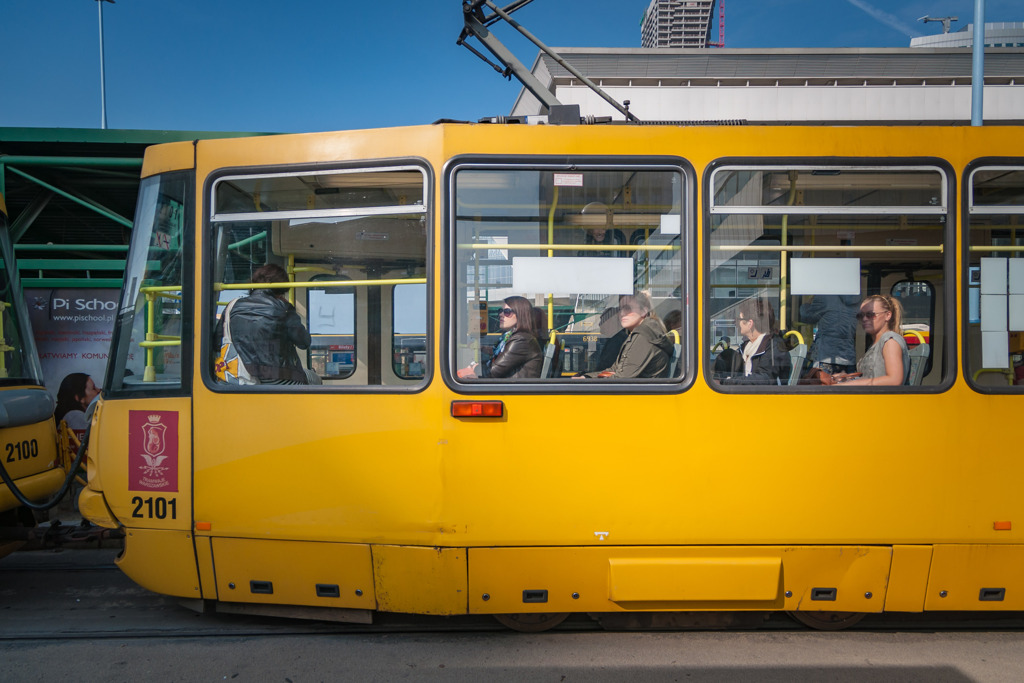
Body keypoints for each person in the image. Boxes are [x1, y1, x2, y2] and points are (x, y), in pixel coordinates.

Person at [214, 263, 312, 384]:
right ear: (281, 289)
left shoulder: (232, 306)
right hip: (280, 377)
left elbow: (217, 342)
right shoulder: (284, 308)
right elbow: (304, 342)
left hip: (240, 375)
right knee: (313, 378)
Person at [581, 291, 672, 379]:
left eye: (627, 308)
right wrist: (587, 377)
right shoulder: (641, 334)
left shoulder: (643, 336)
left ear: (644, 311)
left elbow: (622, 379)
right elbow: (615, 369)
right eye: (620, 309)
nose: (622, 313)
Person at [458, 296, 542, 379]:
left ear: (520, 314)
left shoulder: (522, 340)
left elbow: (492, 372)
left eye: (507, 311)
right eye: (500, 311)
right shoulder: (512, 337)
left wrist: (474, 368)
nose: (501, 314)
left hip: (514, 391)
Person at [834, 294, 909, 387]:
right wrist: (846, 379)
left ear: (887, 315)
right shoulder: (876, 344)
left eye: (870, 315)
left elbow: (894, 380)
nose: (864, 319)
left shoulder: (890, 341)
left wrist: (850, 384)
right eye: (861, 316)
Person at [719, 298, 791, 385]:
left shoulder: (774, 347)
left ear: (750, 323)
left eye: (739, 319)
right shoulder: (748, 345)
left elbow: (764, 379)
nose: (736, 322)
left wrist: (728, 381)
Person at [799, 294, 859, 375]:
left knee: (819, 385)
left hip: (826, 355)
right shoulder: (855, 297)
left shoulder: (825, 296)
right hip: (848, 357)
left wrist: (807, 304)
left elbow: (807, 316)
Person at [55, 373, 100, 437]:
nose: (99, 390)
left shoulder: (70, 416)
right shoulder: (75, 417)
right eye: (94, 388)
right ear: (79, 398)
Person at [592, 306, 627, 372]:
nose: (599, 324)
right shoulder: (614, 338)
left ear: (611, 322)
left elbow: (606, 365)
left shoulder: (617, 340)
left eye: (602, 321)